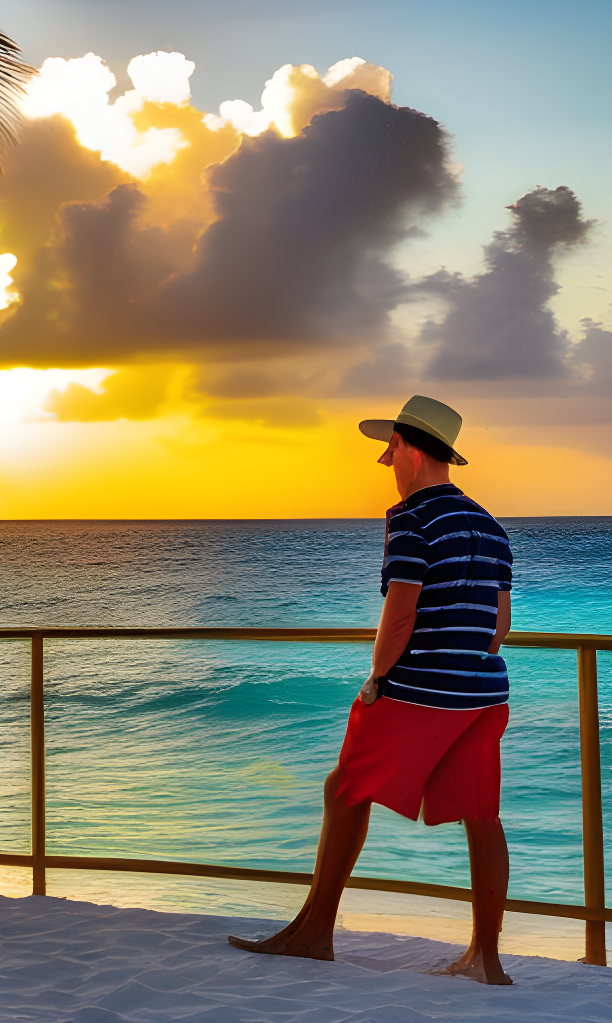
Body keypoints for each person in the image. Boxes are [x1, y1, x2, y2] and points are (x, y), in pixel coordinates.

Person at [228, 395, 515, 985]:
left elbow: (400, 613)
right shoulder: (491, 524)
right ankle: (485, 960)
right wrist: (463, 668)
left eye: (389, 448)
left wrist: (377, 678)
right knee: (483, 815)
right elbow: (500, 626)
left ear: (411, 449)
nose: (384, 460)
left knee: (344, 791)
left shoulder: (409, 518)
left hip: (419, 688)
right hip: (483, 694)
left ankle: (313, 934)